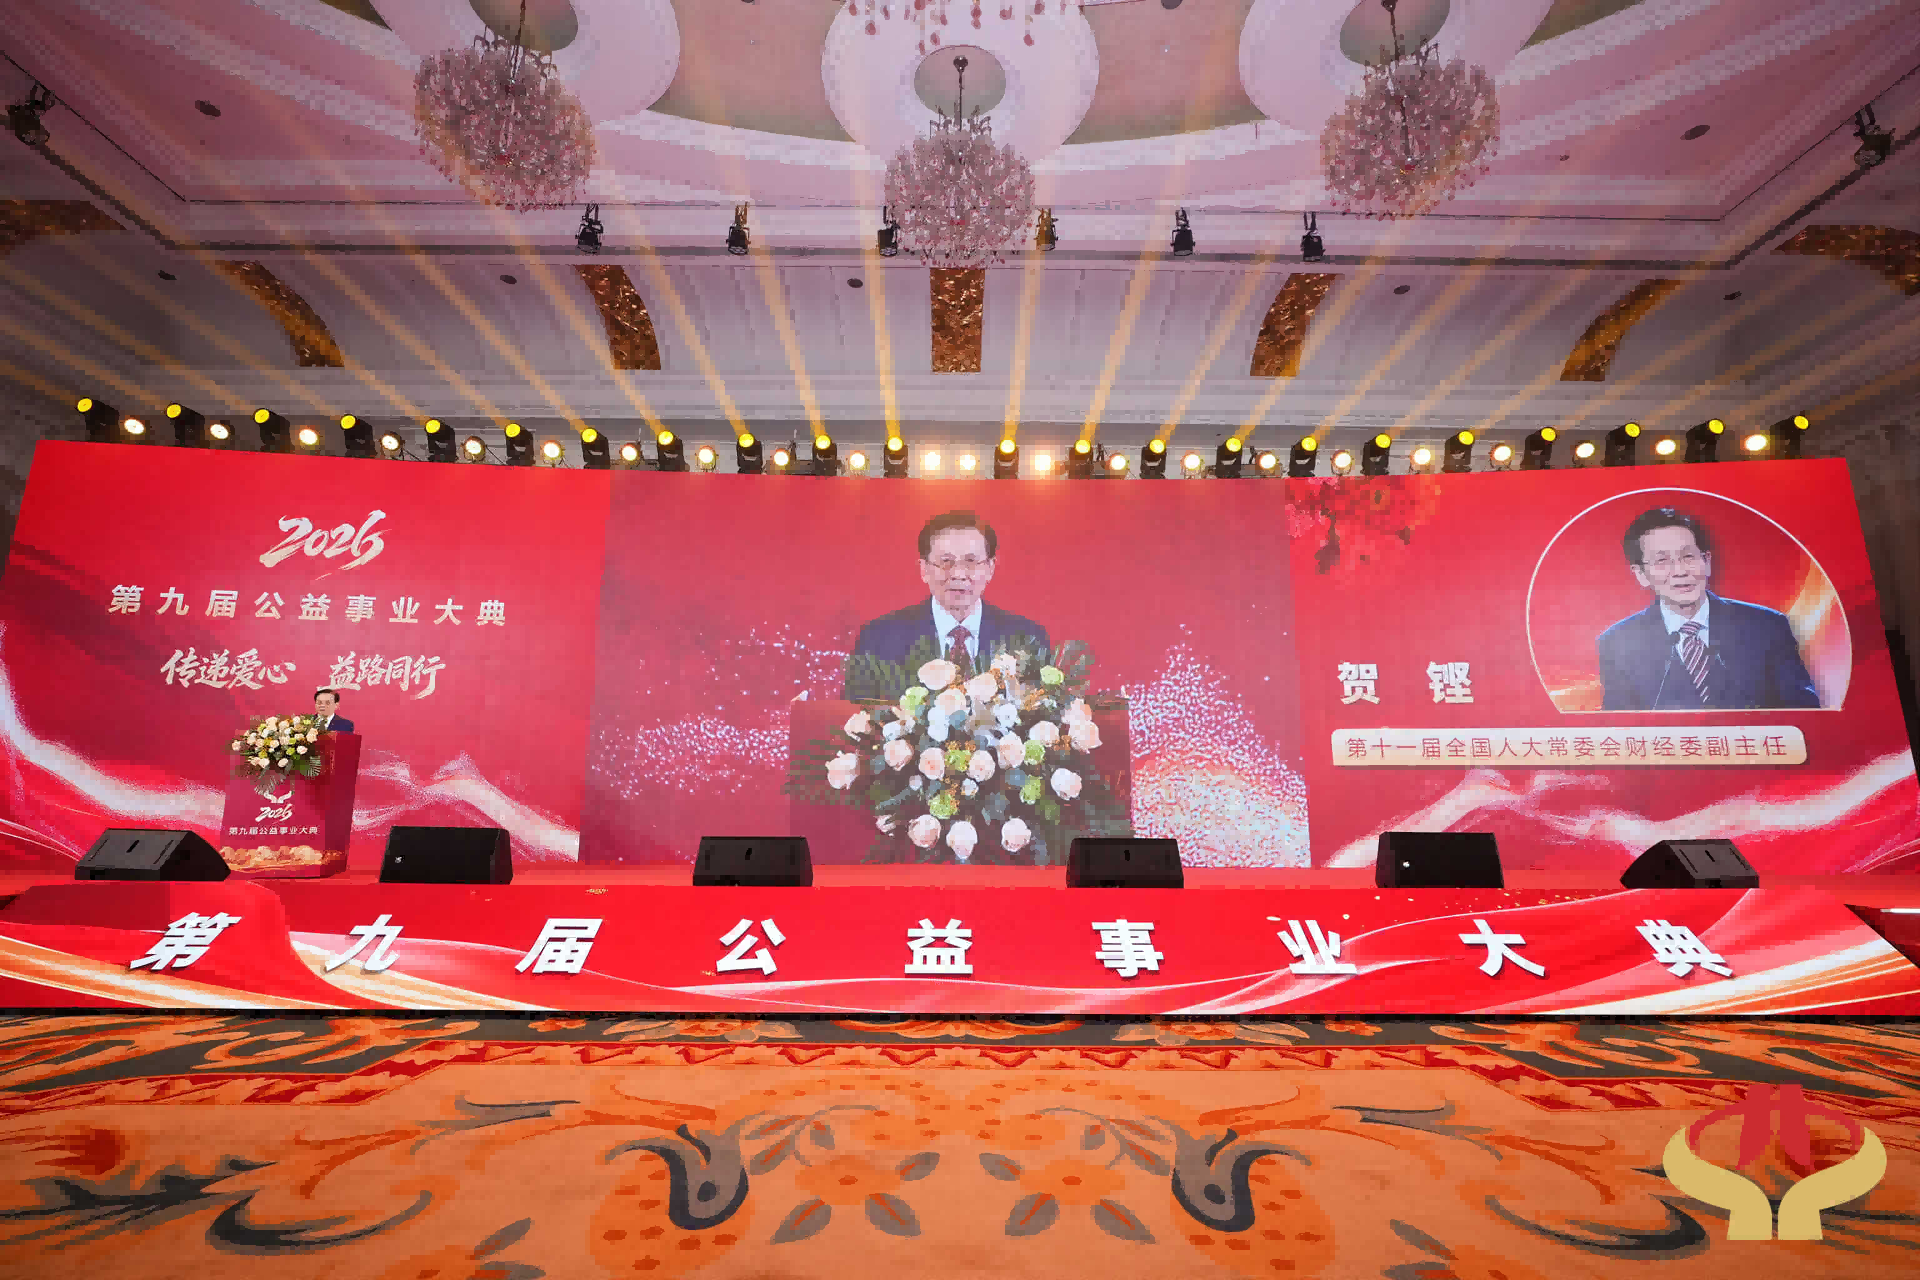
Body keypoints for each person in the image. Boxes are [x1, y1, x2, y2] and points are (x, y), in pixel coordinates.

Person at [1596, 507, 1819, 711]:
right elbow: (1619, 725)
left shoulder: (1766, 626)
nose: (1680, 571)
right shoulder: (1617, 642)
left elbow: (1804, 711)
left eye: (1688, 556)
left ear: (1707, 561)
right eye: (1662, 561)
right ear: (1640, 574)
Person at [845, 510, 1050, 701]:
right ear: (924, 569)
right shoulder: (878, 640)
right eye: (946, 561)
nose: (958, 574)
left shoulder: (1027, 639)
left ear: (990, 568)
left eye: (971, 561)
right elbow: (856, 718)